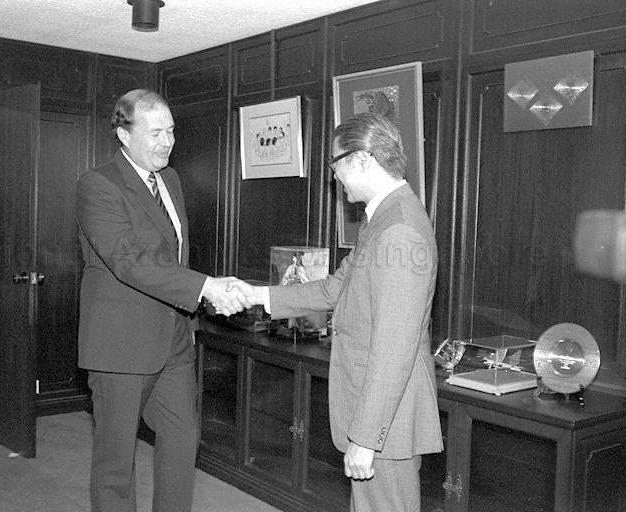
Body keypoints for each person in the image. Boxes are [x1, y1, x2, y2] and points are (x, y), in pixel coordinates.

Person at [234, 112, 442, 512]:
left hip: (386, 424)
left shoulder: (398, 229)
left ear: (362, 159)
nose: (335, 177)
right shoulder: (382, 220)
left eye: (336, 165)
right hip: (380, 415)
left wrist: (365, 438)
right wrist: (258, 296)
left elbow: (394, 347)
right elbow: (334, 288)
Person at [75, 88, 249, 512]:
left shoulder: (169, 179)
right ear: (122, 133)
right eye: (155, 132)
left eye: (171, 131)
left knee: (182, 442)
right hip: (120, 344)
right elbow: (130, 263)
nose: (167, 142)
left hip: (173, 340)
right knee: (116, 464)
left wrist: (197, 302)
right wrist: (205, 287)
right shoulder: (98, 184)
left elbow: (171, 255)